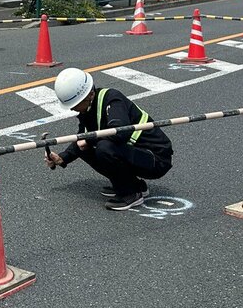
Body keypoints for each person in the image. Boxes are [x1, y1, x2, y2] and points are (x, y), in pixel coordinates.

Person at [44, 68, 173, 211]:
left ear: (90, 95)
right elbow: (82, 138)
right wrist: (62, 158)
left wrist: (89, 140)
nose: (72, 109)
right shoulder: (88, 109)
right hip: (136, 154)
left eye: (75, 104)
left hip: (155, 157)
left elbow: (120, 133)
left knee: (104, 147)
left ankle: (130, 193)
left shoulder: (112, 99)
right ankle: (134, 185)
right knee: (85, 146)